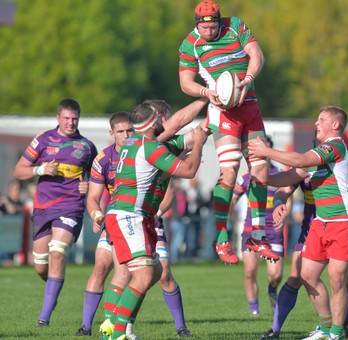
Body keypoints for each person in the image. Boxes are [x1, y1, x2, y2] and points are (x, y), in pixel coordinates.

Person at [248, 106, 348, 339]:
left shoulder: (335, 147)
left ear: (336, 125)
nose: (316, 123)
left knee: (337, 278)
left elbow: (300, 159)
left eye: (321, 119)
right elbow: (290, 177)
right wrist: (264, 179)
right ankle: (325, 327)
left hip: (344, 221)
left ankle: (336, 333)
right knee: (307, 274)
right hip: (321, 223)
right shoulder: (317, 155)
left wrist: (267, 151)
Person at [179, 0, 279, 264]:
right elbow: (185, 82)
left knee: (260, 169)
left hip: (249, 107)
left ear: (219, 21)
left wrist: (247, 79)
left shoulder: (235, 26)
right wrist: (205, 92)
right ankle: (221, 237)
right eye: (203, 26)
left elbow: (257, 55)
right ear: (196, 23)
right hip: (222, 112)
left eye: (212, 26)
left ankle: (258, 235)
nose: (208, 31)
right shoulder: (191, 43)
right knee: (231, 170)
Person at [99, 102, 207, 339]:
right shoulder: (150, 148)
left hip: (137, 216)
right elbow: (188, 171)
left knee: (156, 271)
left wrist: (216, 111)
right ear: (153, 122)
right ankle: (116, 331)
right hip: (129, 215)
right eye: (160, 118)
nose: (164, 122)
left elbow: (192, 133)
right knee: (142, 275)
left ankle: (116, 325)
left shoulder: (136, 143)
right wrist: (198, 145)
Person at [260, 155, 348, 339]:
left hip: (343, 227)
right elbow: (283, 189)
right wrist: (279, 203)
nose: (318, 128)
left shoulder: (347, 161)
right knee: (296, 276)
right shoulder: (307, 162)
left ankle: (342, 320)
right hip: (312, 228)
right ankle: (275, 330)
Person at [13, 98, 97, 327]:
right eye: (67, 118)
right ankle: (52, 291)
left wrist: (87, 187)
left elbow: (97, 179)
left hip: (71, 206)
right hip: (43, 206)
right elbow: (19, 170)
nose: (71, 123)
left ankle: (44, 317)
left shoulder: (87, 146)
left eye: (75, 119)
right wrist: (40, 169)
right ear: (58, 118)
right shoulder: (43, 140)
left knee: (58, 252)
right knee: (41, 265)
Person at [75, 111, 134, 336]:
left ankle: (115, 325)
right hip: (112, 221)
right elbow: (92, 198)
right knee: (100, 267)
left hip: (135, 222)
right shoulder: (103, 159)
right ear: (112, 133)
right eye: (121, 132)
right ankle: (86, 326)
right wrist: (97, 215)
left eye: (129, 130)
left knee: (132, 274)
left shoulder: (143, 153)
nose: (126, 135)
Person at [231, 135, 292, 316]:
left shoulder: (280, 174)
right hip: (251, 230)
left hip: (273, 230)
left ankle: (272, 289)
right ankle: (254, 308)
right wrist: (227, 213)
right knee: (250, 271)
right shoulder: (246, 177)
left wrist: (284, 216)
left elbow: (288, 198)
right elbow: (233, 199)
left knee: (276, 275)